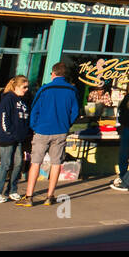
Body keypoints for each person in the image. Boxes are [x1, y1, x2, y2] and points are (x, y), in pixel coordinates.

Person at [19, 63, 79, 207]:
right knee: (56, 163)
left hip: (42, 130)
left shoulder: (45, 89)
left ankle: (29, 196)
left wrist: (34, 126)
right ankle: (49, 196)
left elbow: (34, 110)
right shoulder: (72, 90)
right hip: (60, 130)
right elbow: (75, 112)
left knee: (35, 163)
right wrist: (66, 124)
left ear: (53, 73)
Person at [0, 76, 30, 203]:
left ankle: (12, 190)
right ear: (16, 87)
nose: (26, 90)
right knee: (6, 164)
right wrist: (9, 133)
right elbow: (3, 118)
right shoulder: (8, 99)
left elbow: (24, 118)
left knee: (18, 164)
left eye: (27, 87)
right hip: (7, 137)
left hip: (18, 138)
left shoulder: (22, 101)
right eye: (24, 87)